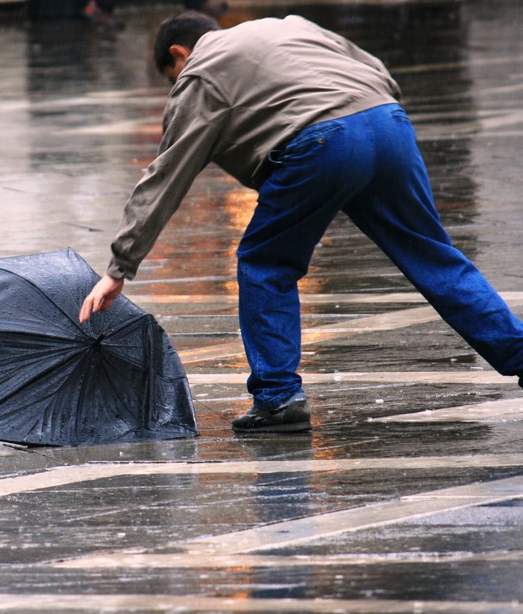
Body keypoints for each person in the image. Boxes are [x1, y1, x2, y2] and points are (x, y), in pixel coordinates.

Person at [78, 11, 523, 433]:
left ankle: (278, 399)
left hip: (320, 142)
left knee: (266, 262)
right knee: (435, 257)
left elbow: (166, 175)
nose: (176, 90)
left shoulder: (199, 73)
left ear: (178, 53)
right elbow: (376, 70)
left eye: (171, 79)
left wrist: (120, 267)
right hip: (386, 122)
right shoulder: (290, 27)